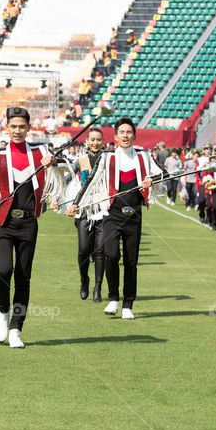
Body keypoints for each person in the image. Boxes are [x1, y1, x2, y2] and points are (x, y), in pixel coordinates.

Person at [0, 106, 61, 348]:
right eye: (13, 126)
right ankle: (2, 311)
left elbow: (65, 164)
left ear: (28, 128)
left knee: (23, 276)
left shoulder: (41, 151)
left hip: (28, 223)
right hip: (2, 223)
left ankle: (17, 328)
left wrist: (54, 162)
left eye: (22, 126)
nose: (17, 130)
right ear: (6, 128)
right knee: (4, 270)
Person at [70, 118, 162, 319]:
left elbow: (163, 173)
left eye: (129, 132)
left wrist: (151, 180)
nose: (126, 135)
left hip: (134, 216)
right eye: (122, 132)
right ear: (116, 136)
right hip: (111, 215)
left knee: (131, 261)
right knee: (111, 255)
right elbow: (91, 181)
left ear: (134, 136)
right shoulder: (107, 157)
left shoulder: (144, 157)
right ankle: (113, 298)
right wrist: (76, 203)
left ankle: (128, 304)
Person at [69, 128, 106, 302]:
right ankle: (84, 280)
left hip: (104, 209)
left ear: (103, 141)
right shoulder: (81, 160)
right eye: (92, 139)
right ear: (87, 141)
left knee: (100, 251)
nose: (95, 143)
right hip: (84, 209)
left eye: (99, 139)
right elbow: (67, 179)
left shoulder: (108, 159)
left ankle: (98, 288)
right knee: (83, 250)